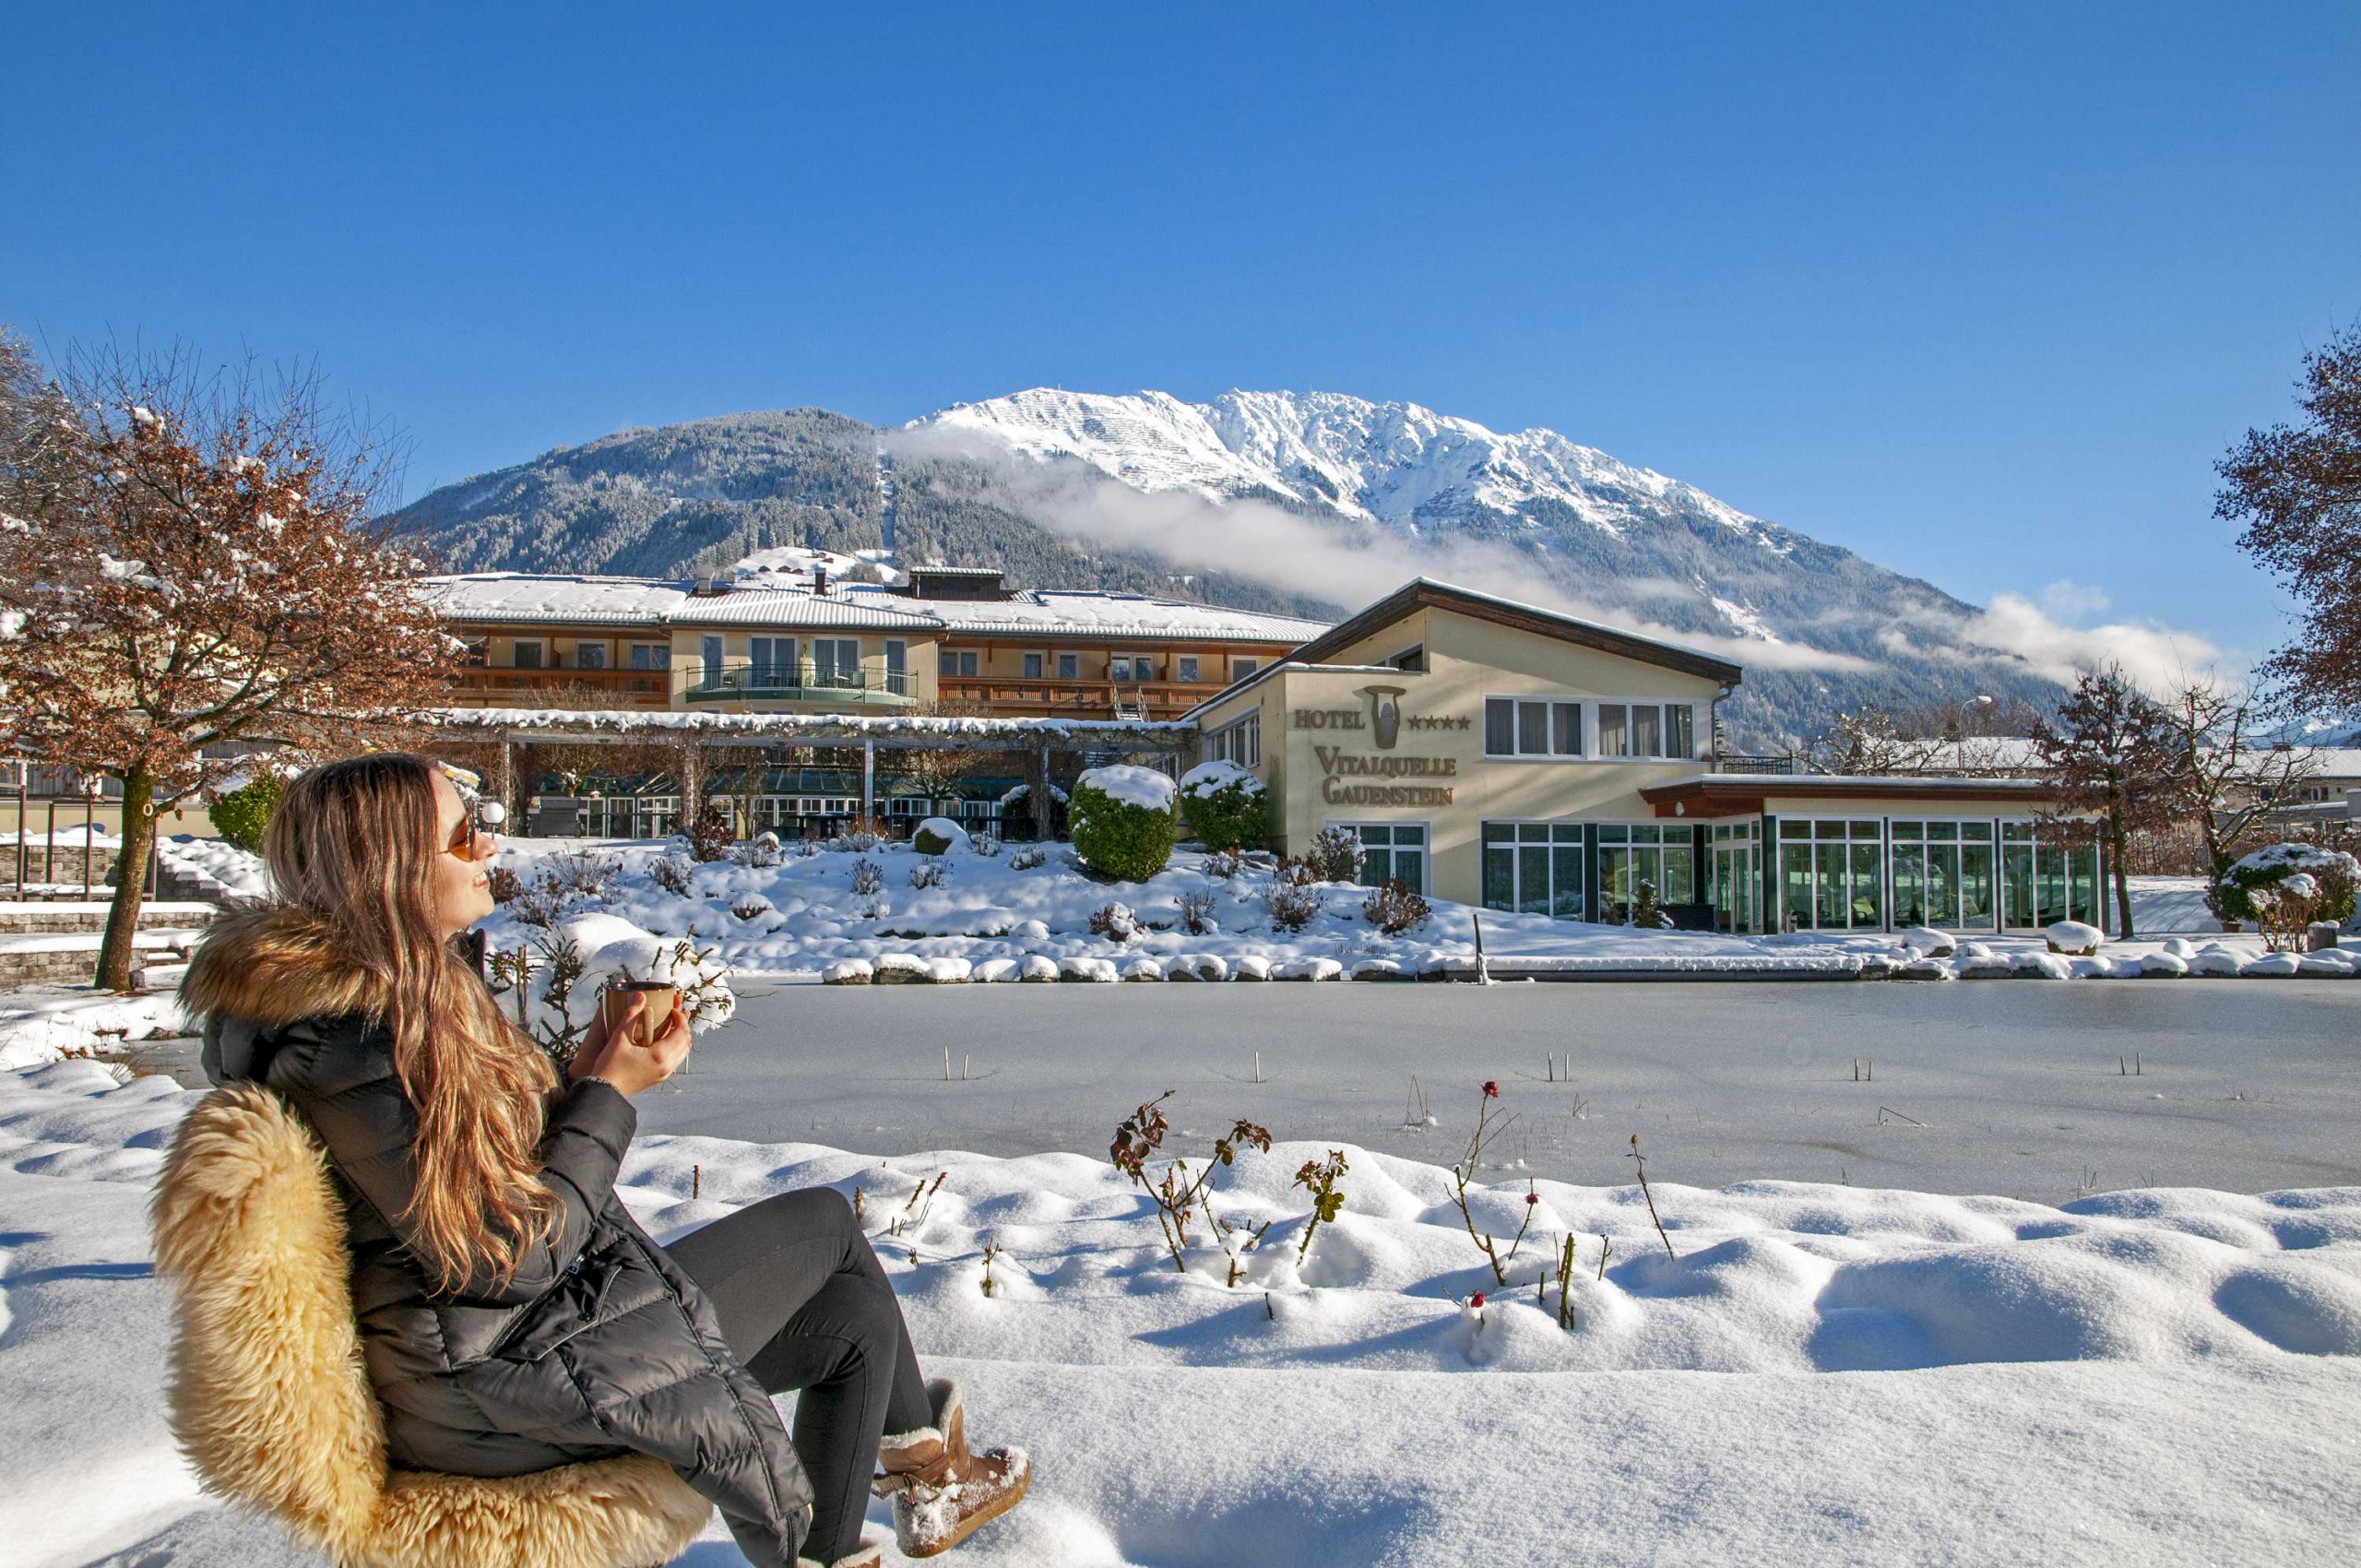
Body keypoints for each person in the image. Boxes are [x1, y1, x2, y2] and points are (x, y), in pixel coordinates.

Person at [182, 753, 1026, 1567]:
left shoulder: (378, 1008)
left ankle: (906, 1500)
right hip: (491, 1387)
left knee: (853, 1322)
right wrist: (608, 1096)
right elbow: (513, 1258)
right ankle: (924, 1479)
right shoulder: (369, 1040)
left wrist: (583, 1078)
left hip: (483, 1359)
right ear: (388, 867)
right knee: (824, 1228)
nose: (488, 846)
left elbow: (470, 1182)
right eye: (460, 834)